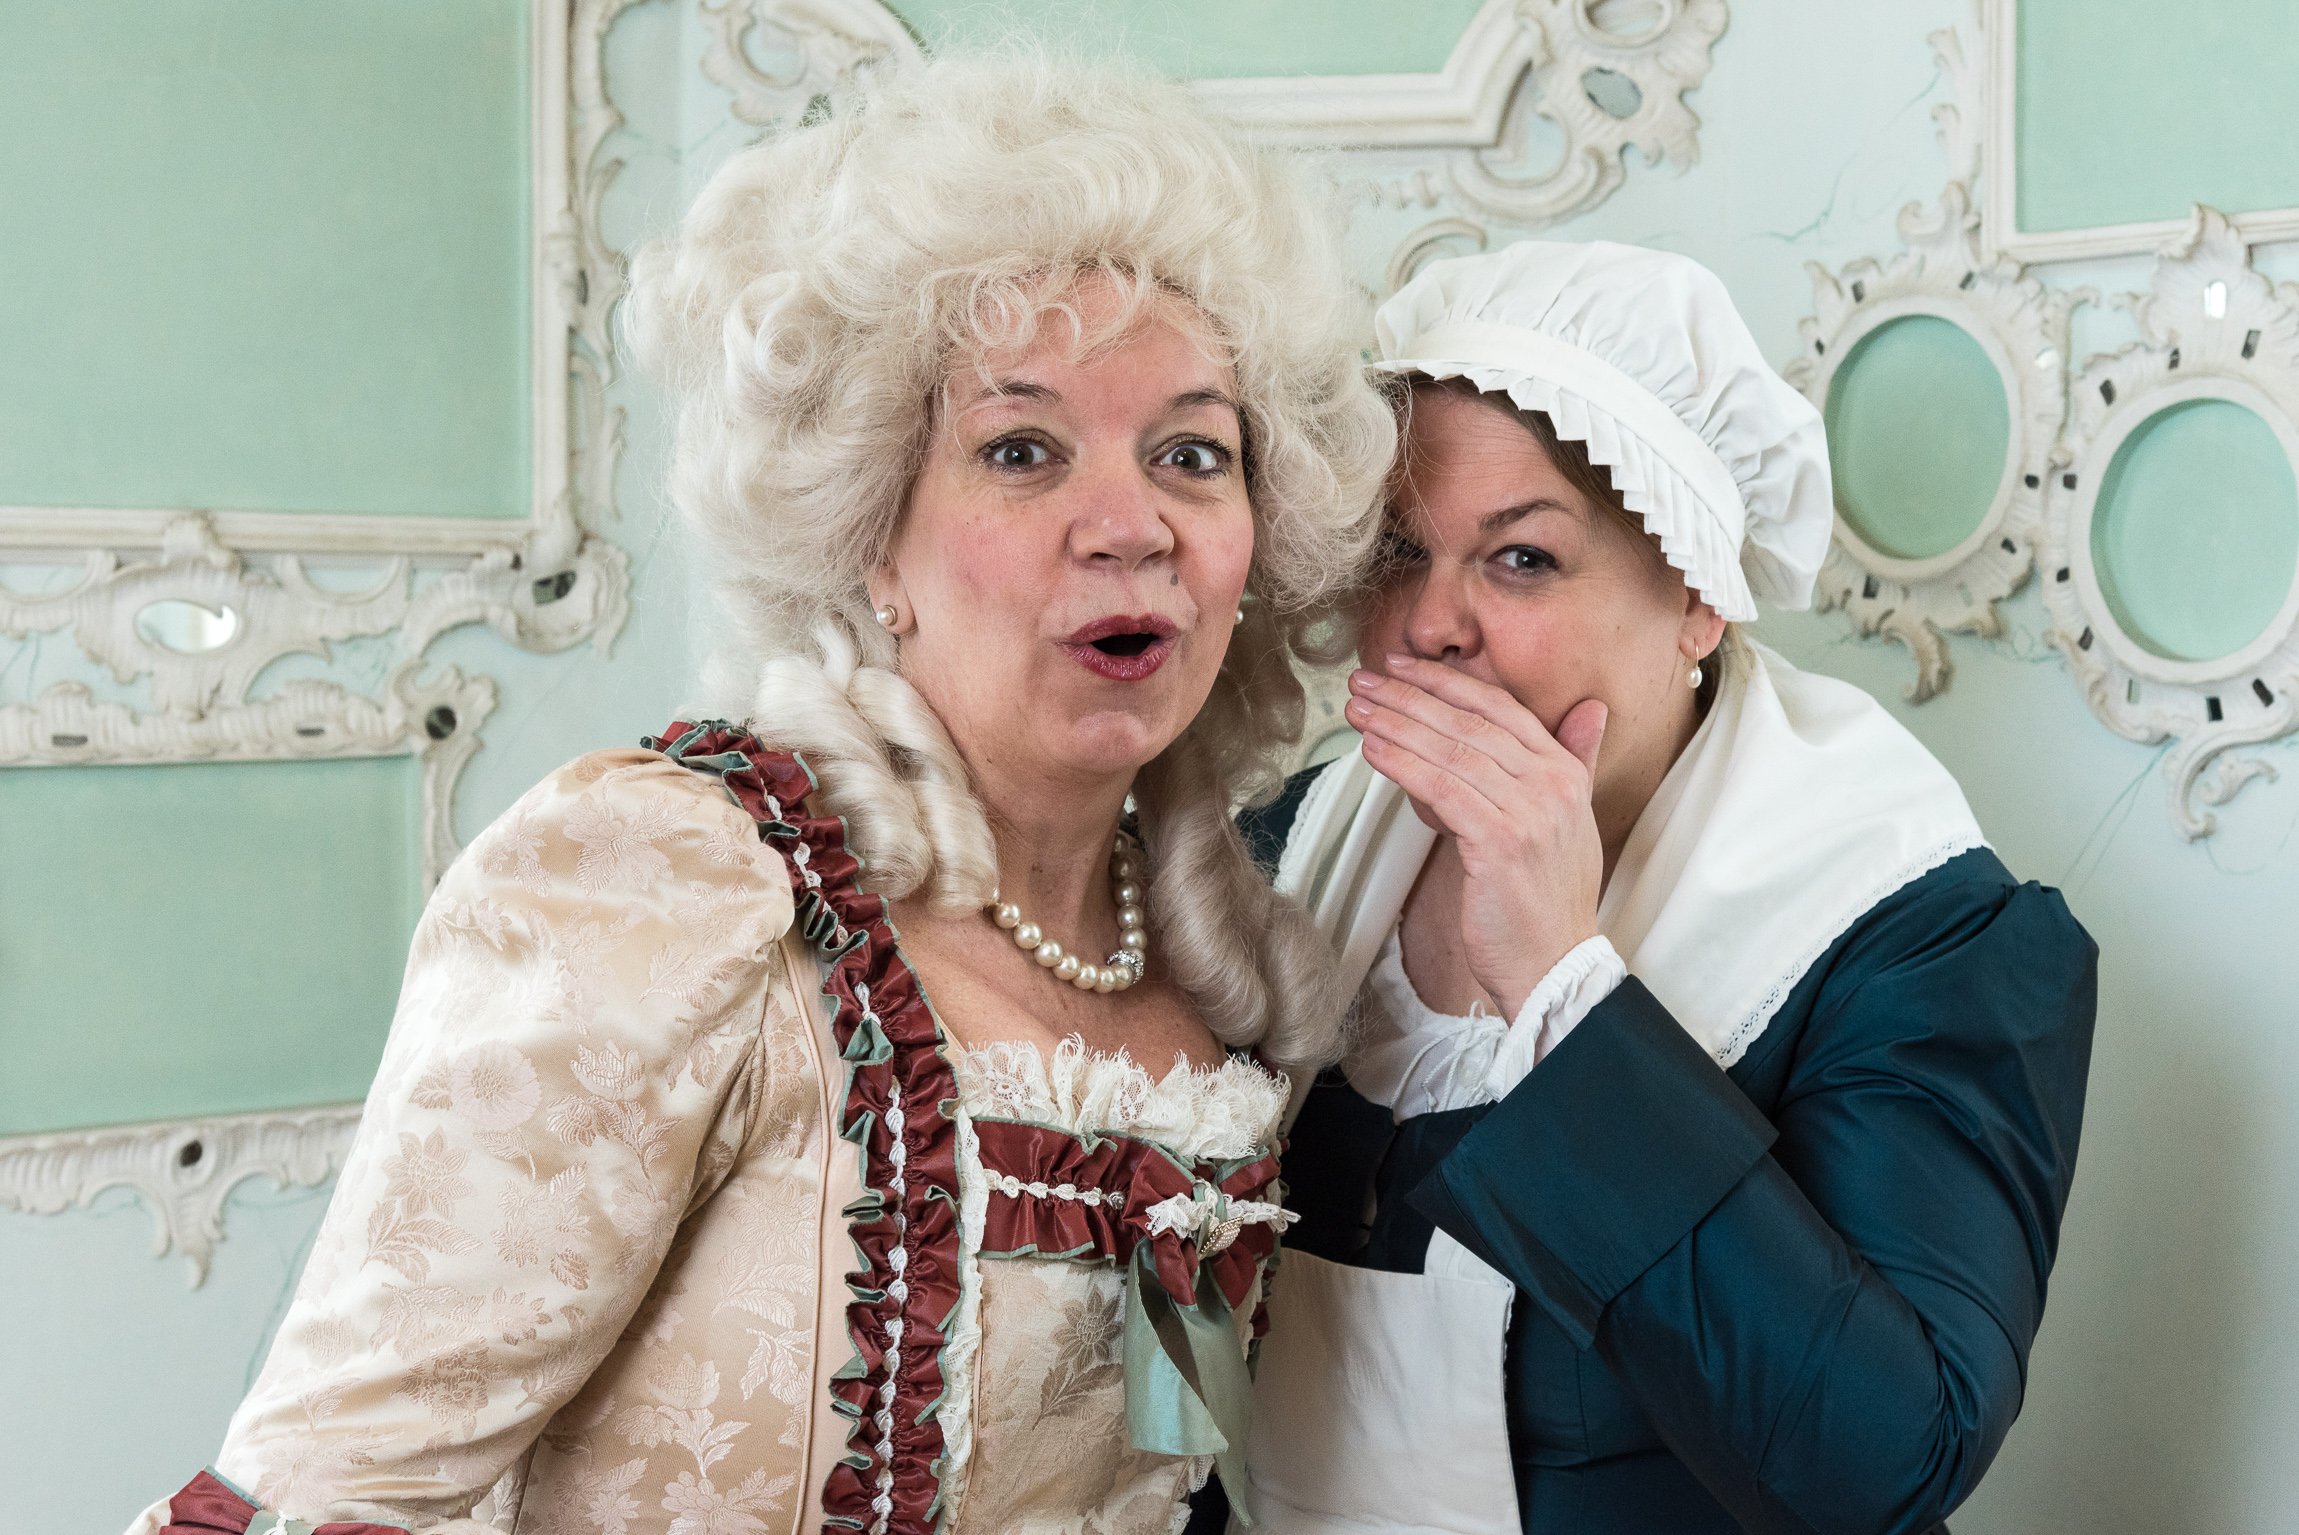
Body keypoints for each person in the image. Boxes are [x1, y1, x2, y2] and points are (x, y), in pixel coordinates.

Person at [124, 52, 1394, 1535]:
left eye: (1192, 453)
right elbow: (339, 1484)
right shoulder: (670, 884)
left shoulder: (1206, 969)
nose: (1132, 528)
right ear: (872, 534)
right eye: (1021, 449)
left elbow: (1175, 1476)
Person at [1225, 241, 2098, 1535]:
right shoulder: (1290, 851)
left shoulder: (1918, 936)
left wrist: (1564, 989)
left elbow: (1883, 1465)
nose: (1430, 625)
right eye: (1400, 551)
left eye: (1521, 559)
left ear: (1698, 597)